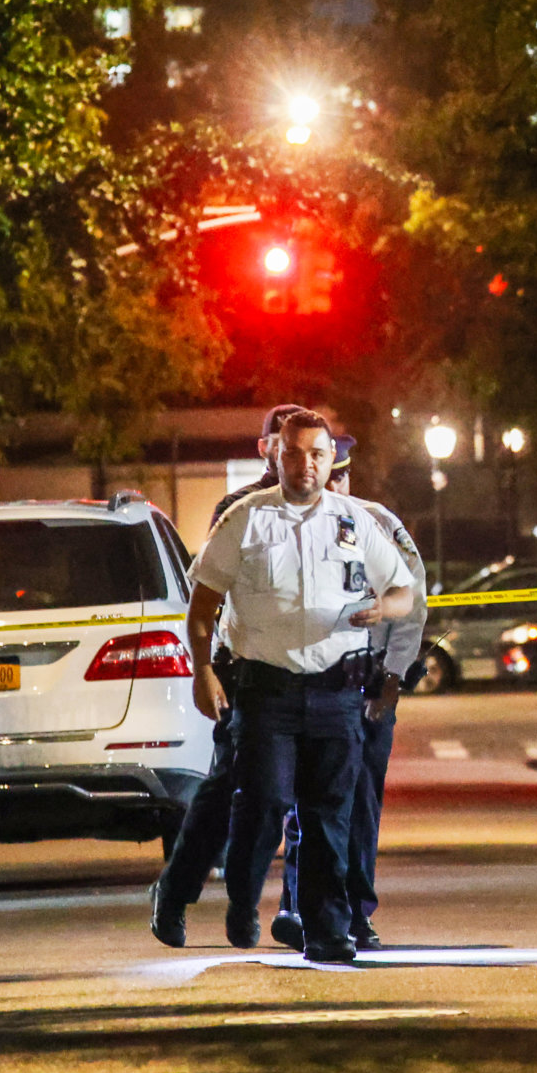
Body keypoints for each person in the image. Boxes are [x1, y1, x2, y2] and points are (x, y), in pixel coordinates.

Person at [184, 409, 417, 963]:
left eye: (317, 454)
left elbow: (404, 593)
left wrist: (383, 607)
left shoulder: (358, 520)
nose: (306, 464)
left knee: (330, 813)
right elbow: (202, 609)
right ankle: (243, 897)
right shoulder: (244, 519)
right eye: (294, 453)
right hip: (268, 690)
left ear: (332, 458)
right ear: (275, 456)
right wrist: (202, 670)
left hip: (337, 690)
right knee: (264, 804)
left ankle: (327, 929)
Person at [150, 403, 305, 947]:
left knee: (280, 800)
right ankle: (176, 893)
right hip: (247, 677)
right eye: (283, 442)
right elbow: (209, 598)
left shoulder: (330, 507)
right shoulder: (240, 508)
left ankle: (254, 903)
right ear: (268, 448)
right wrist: (207, 670)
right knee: (227, 794)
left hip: (306, 680)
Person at [272, 434, 429, 951]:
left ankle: (354, 912)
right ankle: (300, 906)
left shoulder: (378, 524)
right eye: (325, 473)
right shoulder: (284, 525)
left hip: (365, 683)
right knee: (306, 803)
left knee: (357, 806)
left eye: (339, 474)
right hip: (307, 683)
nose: (331, 483)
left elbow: (413, 604)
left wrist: (393, 681)